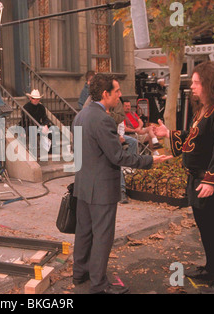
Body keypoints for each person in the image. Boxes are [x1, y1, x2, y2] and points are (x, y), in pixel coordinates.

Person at [72, 74, 171, 294]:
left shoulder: (80, 116)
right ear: (105, 94)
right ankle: (98, 284)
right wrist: (150, 160)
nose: (120, 95)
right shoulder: (102, 119)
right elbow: (118, 157)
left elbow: (78, 153)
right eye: (116, 91)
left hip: (83, 184)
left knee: (84, 232)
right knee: (102, 236)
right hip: (101, 188)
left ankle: (80, 274)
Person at [154, 61, 214, 294]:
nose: (191, 86)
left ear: (209, 84)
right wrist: (169, 134)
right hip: (198, 180)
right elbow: (196, 139)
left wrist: (211, 181)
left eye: (196, 82)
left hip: (211, 183)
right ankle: (211, 269)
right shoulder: (205, 108)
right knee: (205, 229)